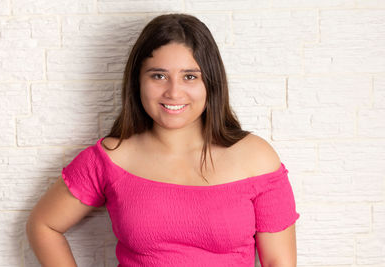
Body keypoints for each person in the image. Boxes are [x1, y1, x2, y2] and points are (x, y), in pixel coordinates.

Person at [26, 13, 300, 266]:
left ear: (211, 83)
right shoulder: (110, 158)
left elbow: (279, 262)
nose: (174, 92)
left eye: (190, 77)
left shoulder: (256, 158)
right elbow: (44, 225)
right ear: (138, 82)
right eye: (159, 76)